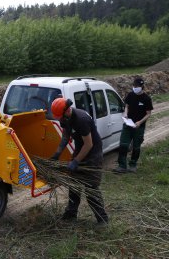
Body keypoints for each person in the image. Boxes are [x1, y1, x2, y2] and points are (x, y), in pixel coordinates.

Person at [50, 97, 109, 225]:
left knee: (91, 188)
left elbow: (89, 144)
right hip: (80, 150)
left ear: (66, 111)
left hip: (93, 155)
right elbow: (66, 134)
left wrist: (76, 161)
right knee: (74, 185)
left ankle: (102, 219)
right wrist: (58, 152)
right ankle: (71, 215)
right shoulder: (65, 118)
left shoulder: (81, 119)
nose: (59, 119)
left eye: (59, 116)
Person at [115, 77, 153, 173]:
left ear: (142, 87)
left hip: (139, 127)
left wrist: (140, 122)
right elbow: (126, 106)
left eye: (138, 86)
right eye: (134, 86)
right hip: (128, 125)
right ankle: (122, 166)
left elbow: (148, 113)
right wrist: (126, 113)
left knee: (136, 147)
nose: (135, 88)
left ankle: (133, 165)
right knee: (123, 145)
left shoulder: (146, 99)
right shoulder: (130, 95)